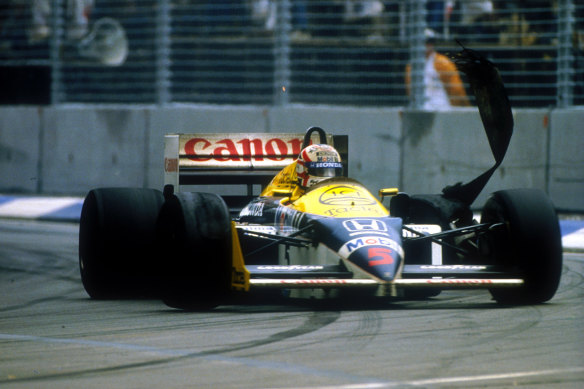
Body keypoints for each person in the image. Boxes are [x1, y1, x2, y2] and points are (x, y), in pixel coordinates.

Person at [405, 30, 470, 110]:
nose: (427, 45)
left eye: (430, 42)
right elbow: (410, 92)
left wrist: (464, 108)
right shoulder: (411, 66)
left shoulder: (443, 63)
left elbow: (456, 90)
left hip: (442, 109)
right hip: (420, 109)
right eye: (425, 42)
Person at [261, 144, 343, 198]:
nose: (328, 176)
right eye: (321, 171)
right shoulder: (290, 194)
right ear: (303, 170)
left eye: (333, 171)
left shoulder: (339, 192)